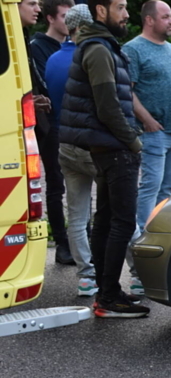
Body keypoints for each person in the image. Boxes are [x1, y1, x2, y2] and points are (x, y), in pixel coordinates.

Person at [59, 0, 149, 317]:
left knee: (107, 220)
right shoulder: (98, 49)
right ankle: (109, 297)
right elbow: (108, 107)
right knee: (121, 222)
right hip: (114, 148)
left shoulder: (99, 46)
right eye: (121, 8)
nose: (127, 15)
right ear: (101, 11)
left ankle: (107, 292)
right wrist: (134, 143)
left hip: (107, 147)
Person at [123, 0, 171, 296]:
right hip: (154, 134)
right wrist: (148, 120)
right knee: (149, 190)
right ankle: (139, 252)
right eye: (166, 17)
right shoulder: (134, 49)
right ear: (150, 20)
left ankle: (158, 246)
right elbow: (128, 90)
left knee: (166, 193)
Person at [46, 3, 96, 296]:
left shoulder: (53, 59)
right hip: (93, 143)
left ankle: (86, 277)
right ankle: (138, 274)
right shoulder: (92, 56)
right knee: (117, 211)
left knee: (77, 214)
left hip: (64, 142)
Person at [21, 0, 75, 265]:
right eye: (65, 16)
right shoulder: (37, 47)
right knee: (56, 183)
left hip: (72, 124)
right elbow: (44, 84)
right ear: (52, 18)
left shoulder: (73, 46)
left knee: (77, 182)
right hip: (51, 125)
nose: (70, 21)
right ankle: (62, 244)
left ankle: (79, 238)